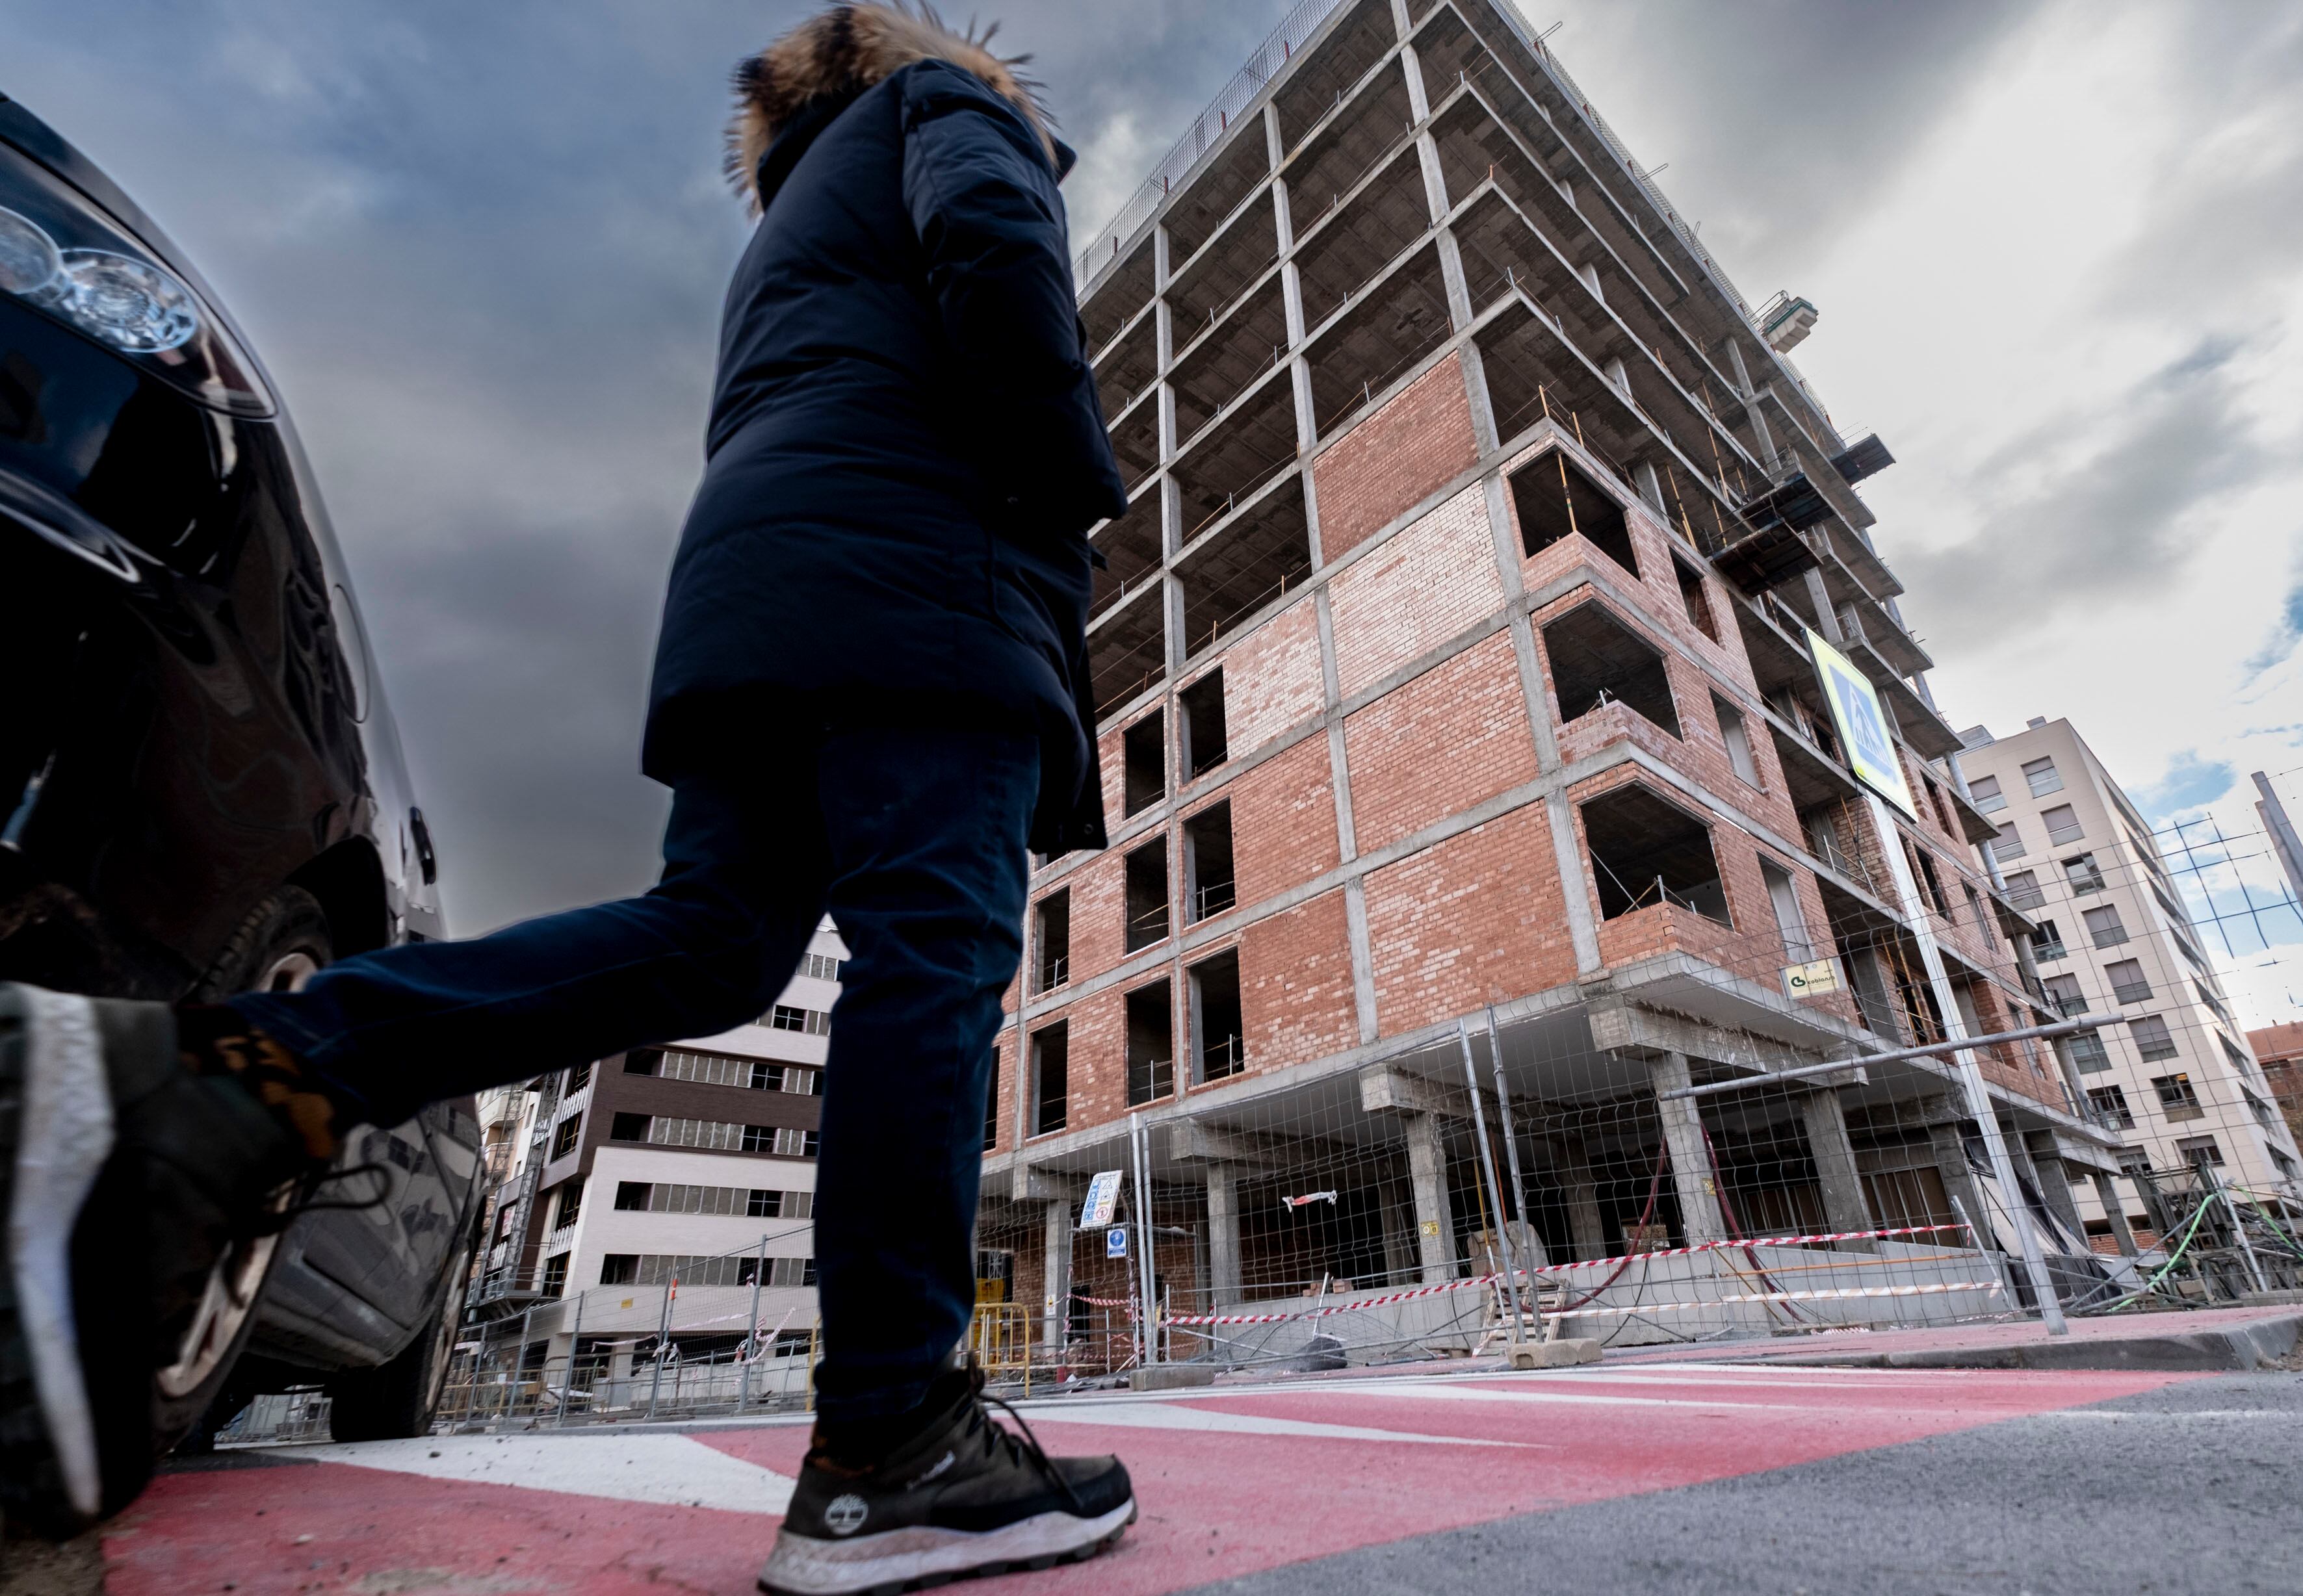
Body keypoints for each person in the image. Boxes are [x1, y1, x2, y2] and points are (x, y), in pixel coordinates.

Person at [0, 6, 1135, 1590]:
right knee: (932, 953)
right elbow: (996, 248)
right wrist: (1073, 477)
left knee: (715, 939)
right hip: (927, 576)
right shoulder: (946, 106)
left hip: (763, 589)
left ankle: (247, 1069)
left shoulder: (795, 215)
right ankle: (893, 1439)